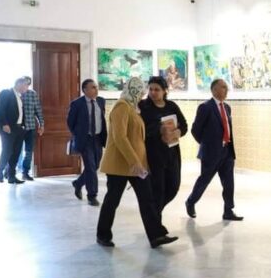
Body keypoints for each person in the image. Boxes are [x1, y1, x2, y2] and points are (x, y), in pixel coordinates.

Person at [96, 77, 178, 249]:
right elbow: (120, 137)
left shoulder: (134, 108)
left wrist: (141, 162)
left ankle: (156, 236)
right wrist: (134, 161)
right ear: (132, 90)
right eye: (140, 92)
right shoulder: (121, 107)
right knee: (112, 200)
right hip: (120, 165)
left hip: (137, 166)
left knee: (147, 199)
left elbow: (138, 139)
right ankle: (103, 235)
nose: (142, 95)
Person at [185, 78, 243, 221]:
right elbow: (195, 130)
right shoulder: (205, 107)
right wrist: (207, 144)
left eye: (226, 87)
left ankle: (228, 210)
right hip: (211, 153)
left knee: (229, 183)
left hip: (227, 152)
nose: (226, 90)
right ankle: (191, 202)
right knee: (204, 181)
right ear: (214, 90)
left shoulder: (227, 107)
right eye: (223, 87)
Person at [139, 76, 188, 224]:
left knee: (173, 187)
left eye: (157, 89)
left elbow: (184, 125)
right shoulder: (143, 106)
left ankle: (154, 213)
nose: (153, 92)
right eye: (151, 89)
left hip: (172, 153)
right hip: (153, 154)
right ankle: (156, 225)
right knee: (158, 190)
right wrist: (158, 130)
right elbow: (141, 129)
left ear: (165, 91)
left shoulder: (171, 106)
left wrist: (178, 132)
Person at [67, 79, 107, 206]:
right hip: (85, 139)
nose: (96, 89)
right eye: (93, 87)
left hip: (98, 138)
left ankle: (78, 183)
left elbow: (101, 119)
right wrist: (79, 134)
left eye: (96, 87)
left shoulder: (101, 101)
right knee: (90, 167)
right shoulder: (77, 104)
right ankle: (92, 195)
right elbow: (70, 122)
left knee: (95, 166)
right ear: (85, 90)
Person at [0, 77, 29, 184]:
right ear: (19, 84)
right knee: (7, 151)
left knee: (16, 152)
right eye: (26, 85)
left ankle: (11, 176)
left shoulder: (20, 96)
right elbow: (0, 109)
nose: (27, 87)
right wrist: (4, 124)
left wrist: (23, 126)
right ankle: (0, 172)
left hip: (19, 128)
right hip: (8, 128)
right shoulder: (6, 93)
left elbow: (20, 113)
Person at [18, 76, 44, 180]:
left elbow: (38, 110)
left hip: (31, 127)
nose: (26, 85)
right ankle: (9, 171)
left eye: (28, 83)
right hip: (18, 128)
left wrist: (41, 125)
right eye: (24, 83)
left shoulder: (33, 94)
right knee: (16, 151)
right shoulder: (15, 94)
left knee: (28, 151)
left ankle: (25, 172)